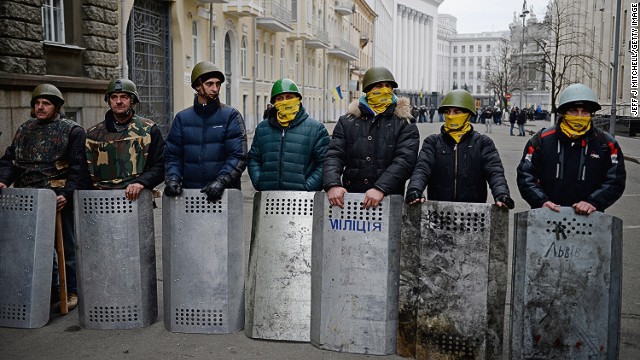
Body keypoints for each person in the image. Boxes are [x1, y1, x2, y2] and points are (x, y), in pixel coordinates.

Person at [0, 84, 91, 311]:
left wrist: (66, 195)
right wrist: (3, 180)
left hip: (57, 197)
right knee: (32, 247)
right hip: (28, 197)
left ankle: (71, 290)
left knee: (66, 248)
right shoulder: (24, 130)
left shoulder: (72, 131)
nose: (41, 107)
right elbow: (12, 161)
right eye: (37, 103)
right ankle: (46, 290)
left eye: (46, 103)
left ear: (57, 107)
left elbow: (78, 169)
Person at [517, 83, 626, 215]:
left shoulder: (607, 144)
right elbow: (525, 175)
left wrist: (593, 202)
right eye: (573, 111)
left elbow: (615, 180)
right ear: (564, 112)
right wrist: (541, 201)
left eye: (585, 111)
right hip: (546, 218)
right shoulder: (540, 141)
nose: (579, 116)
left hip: (589, 221)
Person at [323, 66, 420, 209]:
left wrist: (381, 188)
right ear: (368, 90)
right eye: (379, 86)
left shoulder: (404, 122)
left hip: (388, 200)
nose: (385, 89)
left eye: (388, 86)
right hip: (350, 200)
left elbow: (405, 160)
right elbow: (334, 155)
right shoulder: (347, 121)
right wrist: (333, 184)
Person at [404, 89, 514, 209]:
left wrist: (501, 194)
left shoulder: (483, 143)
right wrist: (414, 190)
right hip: (438, 210)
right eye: (448, 112)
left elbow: (495, 172)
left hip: (473, 211)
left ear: (468, 114)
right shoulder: (433, 142)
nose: (451, 116)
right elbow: (422, 169)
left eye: (457, 112)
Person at [164, 61, 248, 201]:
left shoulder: (231, 115)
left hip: (223, 194)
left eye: (218, 84)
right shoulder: (182, 118)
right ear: (198, 85)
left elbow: (238, 155)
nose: (215, 88)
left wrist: (222, 181)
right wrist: (173, 179)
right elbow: (172, 155)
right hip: (190, 194)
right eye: (210, 84)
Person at [85, 79, 165, 199]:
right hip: (102, 201)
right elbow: (83, 172)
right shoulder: (93, 134)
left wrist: (141, 182)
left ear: (132, 100)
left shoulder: (148, 130)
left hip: (136, 198)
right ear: (109, 100)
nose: (118, 101)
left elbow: (161, 166)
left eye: (124, 97)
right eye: (114, 97)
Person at [248, 78, 329, 191]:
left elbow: (325, 162)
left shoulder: (316, 129)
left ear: (298, 99)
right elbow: (254, 158)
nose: (285, 101)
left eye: (290, 97)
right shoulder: (262, 128)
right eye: (280, 98)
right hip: (269, 198)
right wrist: (259, 182)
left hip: (303, 201)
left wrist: (308, 187)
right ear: (274, 102)